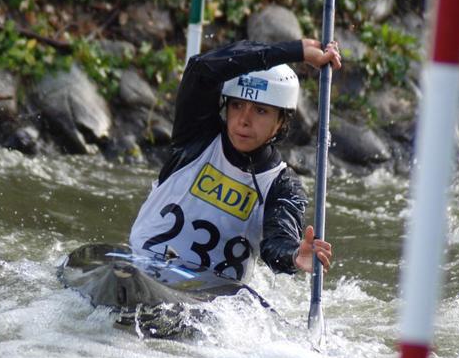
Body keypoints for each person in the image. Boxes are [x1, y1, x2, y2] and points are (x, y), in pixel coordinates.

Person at [128, 38, 339, 283]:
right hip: (143, 269)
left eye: (260, 110)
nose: (243, 120)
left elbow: (276, 243)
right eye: (237, 105)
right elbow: (201, 68)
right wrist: (294, 51)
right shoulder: (196, 136)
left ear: (281, 122)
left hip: (207, 301)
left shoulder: (282, 186)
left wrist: (294, 255)